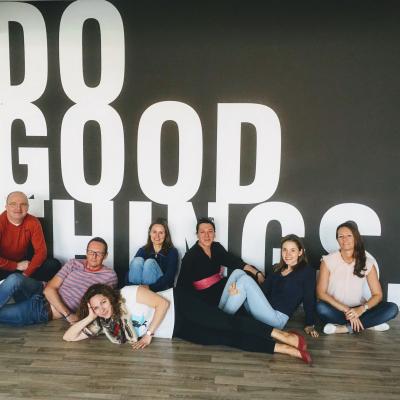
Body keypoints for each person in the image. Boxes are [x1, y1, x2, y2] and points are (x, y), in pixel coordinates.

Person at [63, 283, 313, 364]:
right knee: (226, 339)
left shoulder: (128, 293)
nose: (102, 308)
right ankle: (283, 349)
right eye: (96, 307)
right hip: (176, 329)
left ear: (110, 297)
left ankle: (285, 336)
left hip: (179, 304)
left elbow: (162, 304)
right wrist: (90, 317)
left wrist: (149, 334)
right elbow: (69, 337)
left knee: (229, 324)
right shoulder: (105, 324)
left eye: (103, 302)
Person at [0, 237, 117, 326]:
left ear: (105, 256)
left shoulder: (109, 276)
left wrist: (73, 316)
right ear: (86, 252)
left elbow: (106, 304)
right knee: (15, 278)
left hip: (44, 309)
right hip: (40, 290)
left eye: (99, 253)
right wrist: (68, 315)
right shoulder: (74, 263)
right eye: (91, 252)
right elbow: (49, 289)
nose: (94, 256)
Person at [218, 234, 319, 337]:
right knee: (238, 272)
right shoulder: (276, 269)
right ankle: (218, 315)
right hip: (263, 310)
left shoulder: (307, 272)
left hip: (276, 319)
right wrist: (238, 292)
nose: (287, 254)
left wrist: (309, 324)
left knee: (245, 280)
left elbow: (309, 299)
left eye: (292, 250)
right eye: (284, 250)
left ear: (300, 252)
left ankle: (221, 323)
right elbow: (263, 292)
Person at [316, 221, 398, 334]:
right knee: (320, 307)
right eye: (341, 236)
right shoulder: (327, 260)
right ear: (337, 240)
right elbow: (321, 293)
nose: (345, 239)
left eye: (349, 235)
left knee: (392, 309)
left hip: (359, 309)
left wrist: (361, 309)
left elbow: (378, 295)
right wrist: (347, 310)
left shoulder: (367, 262)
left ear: (356, 238)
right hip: (336, 308)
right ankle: (368, 324)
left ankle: (344, 328)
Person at [176, 217, 264, 306]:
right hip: (205, 299)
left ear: (214, 234)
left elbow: (236, 262)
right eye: (202, 232)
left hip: (221, 288)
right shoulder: (190, 256)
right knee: (243, 285)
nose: (207, 235)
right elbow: (182, 286)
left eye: (210, 231)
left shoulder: (216, 247)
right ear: (197, 235)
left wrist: (258, 273)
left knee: (240, 273)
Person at [0, 191, 61, 281]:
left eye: (23, 204)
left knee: (53, 264)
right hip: (4, 266)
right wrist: (16, 265)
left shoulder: (33, 222)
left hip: (25, 265)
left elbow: (41, 252)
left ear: (28, 207)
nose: (18, 208)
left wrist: (25, 274)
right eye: (13, 204)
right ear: (6, 207)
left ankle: (21, 282)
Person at [127, 218, 178, 291]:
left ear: (166, 235)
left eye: (161, 233)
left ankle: (146, 293)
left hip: (161, 288)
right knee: (137, 260)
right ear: (150, 233)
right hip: (140, 288)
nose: (157, 236)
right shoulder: (143, 250)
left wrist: (150, 287)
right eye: (154, 232)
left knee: (149, 262)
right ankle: (134, 291)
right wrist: (128, 286)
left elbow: (169, 276)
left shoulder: (172, 252)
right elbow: (131, 271)